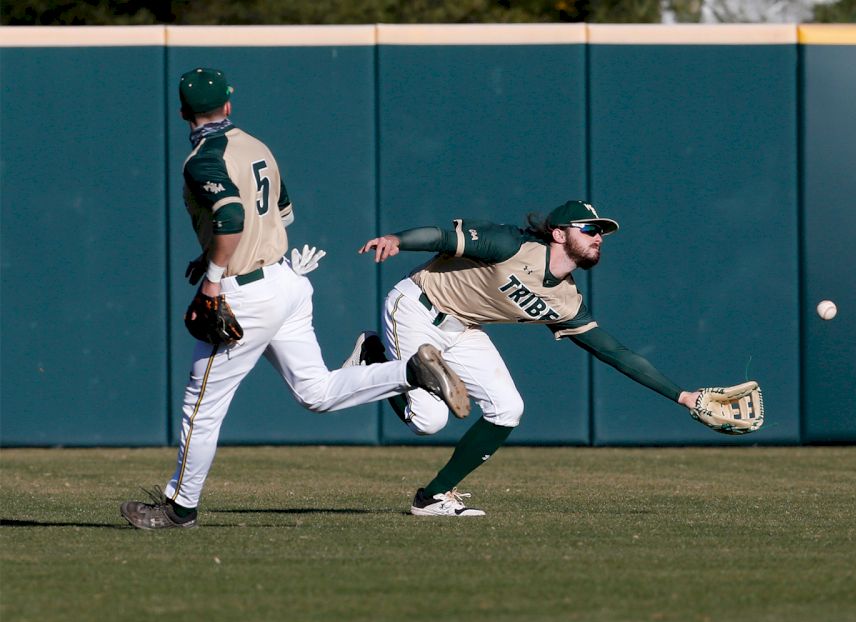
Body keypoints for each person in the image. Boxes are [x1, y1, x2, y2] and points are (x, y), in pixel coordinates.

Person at [119, 67, 468, 530]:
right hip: (286, 282)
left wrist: (213, 278)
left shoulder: (203, 159)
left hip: (245, 292)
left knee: (201, 408)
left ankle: (179, 508)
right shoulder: (256, 146)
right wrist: (211, 257)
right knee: (315, 392)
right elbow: (283, 212)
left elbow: (231, 220)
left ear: (183, 111)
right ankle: (409, 370)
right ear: (228, 103)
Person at [345, 200, 700, 517]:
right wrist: (397, 239)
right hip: (418, 308)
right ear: (559, 234)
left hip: (464, 329)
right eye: (590, 229)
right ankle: (374, 359)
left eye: (602, 232)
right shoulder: (512, 245)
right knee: (428, 422)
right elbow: (442, 238)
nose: (599, 237)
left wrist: (684, 397)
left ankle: (433, 497)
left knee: (507, 409)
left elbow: (616, 353)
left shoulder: (566, 300)